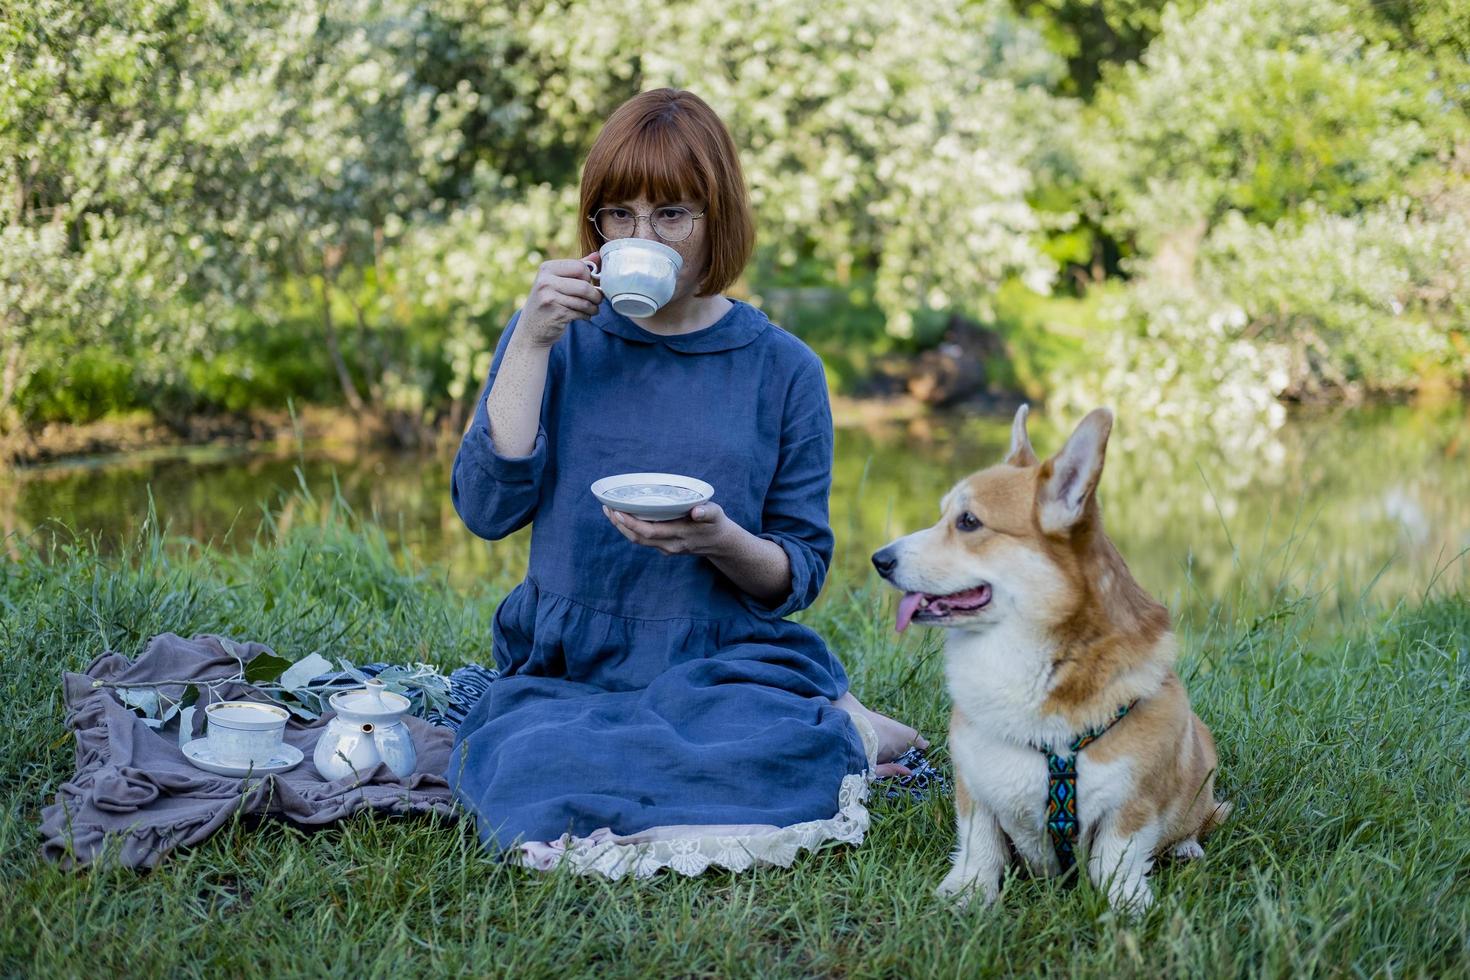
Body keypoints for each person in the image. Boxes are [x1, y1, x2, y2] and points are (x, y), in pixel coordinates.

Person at [448, 88, 926, 877]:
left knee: (775, 751)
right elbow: (486, 511)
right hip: (573, 663)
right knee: (533, 769)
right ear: (594, 223)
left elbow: (795, 573)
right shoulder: (556, 335)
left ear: (718, 217)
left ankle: (832, 722)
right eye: (620, 214)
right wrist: (530, 340)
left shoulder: (784, 369)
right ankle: (848, 724)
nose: (643, 236)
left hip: (724, 658)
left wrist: (722, 540)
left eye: (672, 215)